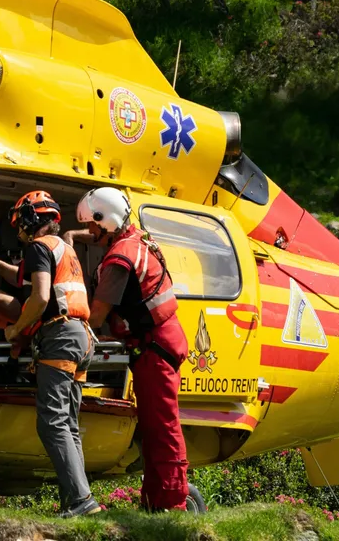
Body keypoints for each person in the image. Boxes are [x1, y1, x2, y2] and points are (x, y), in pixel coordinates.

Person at [70, 187, 190, 512]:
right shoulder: (137, 239)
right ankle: (155, 504)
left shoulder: (120, 258)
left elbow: (95, 316)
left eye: (93, 226)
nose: (91, 233)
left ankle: (173, 506)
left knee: (162, 429)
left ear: (105, 220)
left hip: (155, 349)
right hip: (158, 343)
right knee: (155, 428)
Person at [0, 190, 101, 518]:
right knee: (67, 423)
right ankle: (78, 501)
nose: (20, 230)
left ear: (31, 220)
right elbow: (26, 277)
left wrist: (15, 330)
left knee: (52, 422)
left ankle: (82, 502)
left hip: (60, 338)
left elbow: (39, 298)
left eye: (21, 223)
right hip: (81, 339)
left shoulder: (39, 248)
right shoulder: (62, 248)